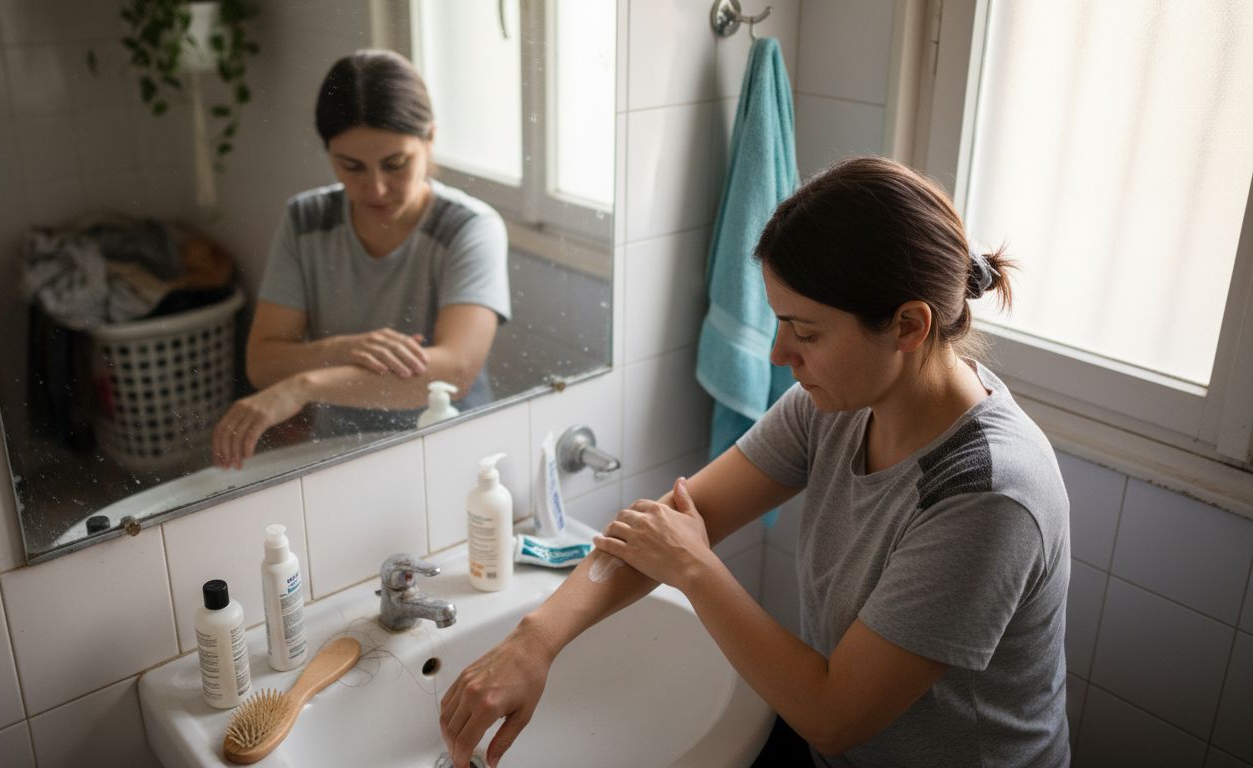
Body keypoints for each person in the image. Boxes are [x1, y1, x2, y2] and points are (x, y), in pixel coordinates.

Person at [438, 156, 1070, 767]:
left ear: (908, 326)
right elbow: (674, 525)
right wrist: (535, 640)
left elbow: (831, 714)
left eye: (807, 332)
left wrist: (692, 564)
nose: (778, 355)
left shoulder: (988, 497)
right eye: (779, 323)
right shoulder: (836, 406)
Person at [212, 50, 510, 469]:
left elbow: (455, 372)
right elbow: (262, 363)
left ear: (429, 141)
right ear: (328, 152)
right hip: (339, 452)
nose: (376, 189)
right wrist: (345, 347)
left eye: (395, 164)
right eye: (351, 166)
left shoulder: (470, 228)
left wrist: (304, 384)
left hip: (452, 451)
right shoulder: (306, 220)